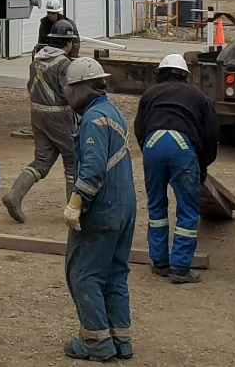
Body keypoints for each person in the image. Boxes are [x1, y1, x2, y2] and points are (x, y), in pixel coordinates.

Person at [61, 56, 137, 361]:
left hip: (103, 208)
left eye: (68, 88)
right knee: (115, 273)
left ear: (81, 88)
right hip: (125, 205)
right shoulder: (112, 112)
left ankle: (96, 343)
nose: (66, 94)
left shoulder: (93, 120)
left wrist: (76, 202)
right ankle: (121, 341)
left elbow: (92, 170)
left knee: (84, 273)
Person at [135, 52, 218, 284]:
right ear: (185, 75)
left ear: (160, 74)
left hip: (152, 144)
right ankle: (181, 267)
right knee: (187, 208)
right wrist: (202, 166)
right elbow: (211, 135)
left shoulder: (149, 94)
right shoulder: (198, 96)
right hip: (182, 146)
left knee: (156, 206)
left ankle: (159, 262)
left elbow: (139, 128)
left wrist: (149, 152)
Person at [2, 18, 81, 223]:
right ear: (68, 43)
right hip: (59, 117)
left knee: (42, 160)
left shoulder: (36, 60)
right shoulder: (63, 64)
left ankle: (15, 194)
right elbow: (71, 94)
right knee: (73, 160)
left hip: (37, 115)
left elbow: (30, 86)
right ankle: (74, 210)